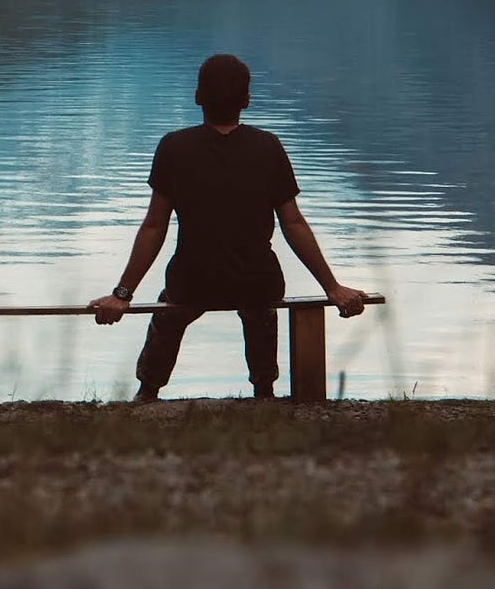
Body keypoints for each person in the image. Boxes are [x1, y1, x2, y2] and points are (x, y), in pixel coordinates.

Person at [88, 54, 367, 401]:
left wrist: (122, 294)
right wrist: (332, 287)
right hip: (255, 281)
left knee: (169, 312)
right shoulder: (268, 147)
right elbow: (293, 223)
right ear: (247, 101)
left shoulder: (174, 148)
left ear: (196, 97)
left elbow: (153, 227)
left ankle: (148, 391)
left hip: (193, 280)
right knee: (261, 307)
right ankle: (264, 390)